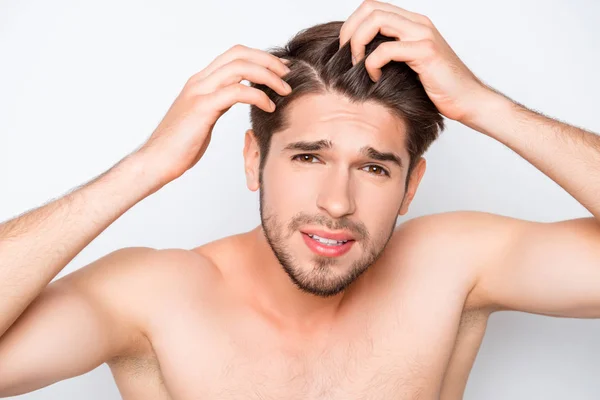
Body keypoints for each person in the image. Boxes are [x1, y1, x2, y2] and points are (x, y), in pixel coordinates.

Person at [1, 1, 599, 399]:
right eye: (308, 156)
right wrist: (145, 167)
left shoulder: (450, 266)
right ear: (254, 160)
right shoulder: (153, 295)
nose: (337, 203)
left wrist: (483, 106)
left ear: (410, 186)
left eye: (373, 167)